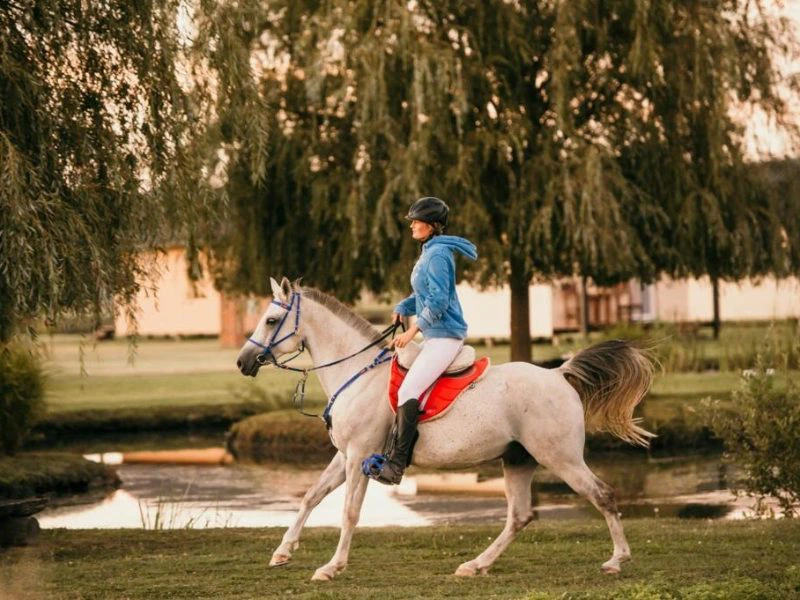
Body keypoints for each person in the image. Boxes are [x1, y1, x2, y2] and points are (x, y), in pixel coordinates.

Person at [374, 196, 478, 485]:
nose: (412, 226)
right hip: (435, 336)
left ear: (432, 226)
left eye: (417, 222)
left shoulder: (437, 255)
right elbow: (423, 296)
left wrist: (412, 331)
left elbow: (439, 300)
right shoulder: (429, 252)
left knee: (409, 391)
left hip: (445, 337)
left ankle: (396, 465)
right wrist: (402, 308)